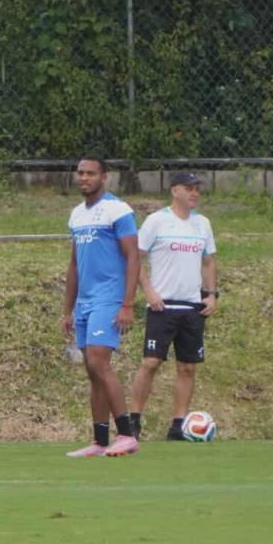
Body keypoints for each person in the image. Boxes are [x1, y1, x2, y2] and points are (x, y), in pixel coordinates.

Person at [127, 172, 218, 441]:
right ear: (174, 190)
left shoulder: (202, 224)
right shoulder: (157, 221)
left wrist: (211, 294)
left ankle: (178, 425)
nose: (195, 193)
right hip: (162, 306)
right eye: (189, 188)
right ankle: (133, 422)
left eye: (197, 189)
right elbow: (136, 258)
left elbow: (209, 261)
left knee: (187, 367)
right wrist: (149, 292)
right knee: (151, 362)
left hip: (192, 307)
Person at [61, 157, 141, 457]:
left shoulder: (118, 210)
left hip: (109, 297)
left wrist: (127, 303)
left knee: (98, 360)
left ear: (103, 177)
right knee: (91, 369)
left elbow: (133, 257)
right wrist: (67, 310)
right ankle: (99, 440)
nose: (84, 178)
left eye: (90, 173)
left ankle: (127, 434)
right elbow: (74, 265)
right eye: (80, 173)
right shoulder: (77, 215)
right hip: (85, 300)